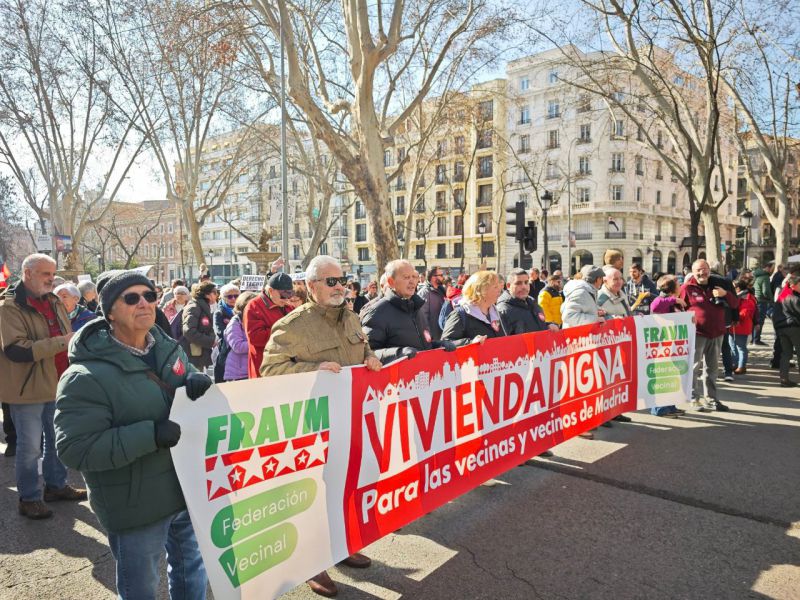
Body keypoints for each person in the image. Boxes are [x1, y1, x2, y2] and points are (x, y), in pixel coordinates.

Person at [54, 270, 212, 599]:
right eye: (131, 298)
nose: (144, 303)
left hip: (184, 488)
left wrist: (196, 384)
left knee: (190, 567)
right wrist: (150, 435)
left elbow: (181, 383)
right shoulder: (84, 375)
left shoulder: (168, 349)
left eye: (150, 295)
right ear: (109, 310)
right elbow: (75, 449)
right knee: (140, 586)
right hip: (135, 503)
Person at [261, 256, 380, 597]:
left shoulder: (353, 317)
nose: (339, 285)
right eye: (330, 281)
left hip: (351, 420)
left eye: (341, 279)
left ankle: (341, 547)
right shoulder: (292, 326)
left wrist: (371, 358)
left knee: (345, 491)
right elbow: (269, 371)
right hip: (312, 427)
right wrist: (311, 370)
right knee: (314, 498)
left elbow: (365, 349)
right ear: (311, 287)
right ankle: (312, 565)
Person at [0, 253, 86, 519]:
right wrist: (63, 341)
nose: (51, 279)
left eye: (52, 273)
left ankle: (56, 486)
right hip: (28, 389)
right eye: (45, 274)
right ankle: (29, 497)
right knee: (30, 447)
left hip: (58, 382)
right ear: (27, 273)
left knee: (57, 440)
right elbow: (16, 350)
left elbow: (67, 338)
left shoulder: (54, 301)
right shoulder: (8, 308)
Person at [361, 260, 456, 364]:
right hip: (396, 379)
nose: (412, 282)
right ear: (391, 282)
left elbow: (424, 344)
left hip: (422, 376)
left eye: (414, 277)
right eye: (406, 277)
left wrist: (438, 345)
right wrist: (399, 353)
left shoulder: (417, 307)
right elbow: (368, 354)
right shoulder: (376, 312)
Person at [680, 259, 737, 412]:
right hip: (696, 334)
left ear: (709, 270)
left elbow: (735, 304)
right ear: (693, 271)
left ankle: (711, 399)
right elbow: (677, 308)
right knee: (693, 367)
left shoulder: (718, 285)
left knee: (712, 369)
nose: (702, 273)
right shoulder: (686, 288)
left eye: (704, 269)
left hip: (717, 333)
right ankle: (694, 398)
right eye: (698, 270)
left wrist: (725, 294)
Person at [244, 273, 295, 379]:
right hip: (264, 367)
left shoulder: (288, 305)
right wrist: (287, 333)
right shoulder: (253, 306)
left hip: (286, 365)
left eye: (290, 293)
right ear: (271, 291)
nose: (287, 298)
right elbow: (255, 337)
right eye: (283, 294)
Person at [649, 275, 687, 418]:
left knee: (673, 377)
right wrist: (674, 299)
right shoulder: (661, 300)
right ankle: (660, 409)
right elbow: (655, 306)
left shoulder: (675, 302)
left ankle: (670, 406)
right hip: (662, 346)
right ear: (671, 289)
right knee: (663, 377)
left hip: (675, 346)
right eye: (678, 285)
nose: (681, 287)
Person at [441, 271, 506, 346]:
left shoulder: (498, 313)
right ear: (481, 290)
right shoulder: (460, 315)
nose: (500, 291)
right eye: (495, 287)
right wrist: (470, 343)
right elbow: (445, 343)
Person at [497, 269, 557, 335]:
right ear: (508, 286)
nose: (524, 287)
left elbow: (534, 326)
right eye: (518, 283)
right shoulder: (502, 310)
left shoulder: (533, 303)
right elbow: (502, 342)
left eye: (526, 282)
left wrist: (548, 325)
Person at [770, 274, 800, 387]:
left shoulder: (782, 296)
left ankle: (784, 379)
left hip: (781, 328)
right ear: (793, 285)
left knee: (786, 354)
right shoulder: (794, 298)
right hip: (794, 327)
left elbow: (775, 314)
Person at [181, 280, 218, 370]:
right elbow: (188, 331)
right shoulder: (194, 307)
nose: (217, 295)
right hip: (193, 355)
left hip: (199, 354)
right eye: (215, 292)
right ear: (207, 294)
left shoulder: (202, 306)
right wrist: (211, 341)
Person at [223, 291, 258, 382]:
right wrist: (260, 343)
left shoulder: (255, 320)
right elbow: (237, 346)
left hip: (253, 369)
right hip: (239, 373)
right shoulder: (235, 322)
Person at [730, 279, 757, 375]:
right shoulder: (737, 296)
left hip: (741, 326)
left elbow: (746, 312)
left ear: (738, 288)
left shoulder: (747, 297)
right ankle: (735, 363)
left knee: (741, 348)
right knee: (732, 346)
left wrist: (734, 317)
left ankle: (741, 366)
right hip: (733, 326)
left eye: (733, 287)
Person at [419, 265, 447, 341]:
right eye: (441, 275)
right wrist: (429, 336)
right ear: (433, 277)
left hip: (442, 335)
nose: (443, 277)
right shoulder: (425, 293)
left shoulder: (442, 291)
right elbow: (423, 317)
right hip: (433, 338)